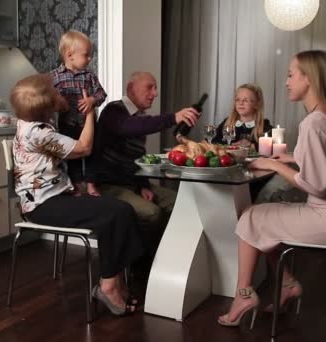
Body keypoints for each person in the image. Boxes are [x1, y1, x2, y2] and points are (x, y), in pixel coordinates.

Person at [217, 50, 326, 327]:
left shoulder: (313, 122)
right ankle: (286, 284)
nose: (286, 81)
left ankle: (243, 295)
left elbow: (316, 187)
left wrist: (274, 166)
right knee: (265, 219)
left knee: (251, 215)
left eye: (290, 74)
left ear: (309, 79)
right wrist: (294, 157)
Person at [11, 74, 143, 316]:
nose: (60, 93)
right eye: (55, 91)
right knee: (117, 212)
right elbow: (84, 148)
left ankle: (114, 281)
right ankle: (108, 285)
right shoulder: (39, 133)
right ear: (44, 104)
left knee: (120, 211)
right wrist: (90, 110)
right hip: (44, 206)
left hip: (54, 197)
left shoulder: (29, 123)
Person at [91, 71, 199, 261]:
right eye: (150, 87)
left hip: (132, 184)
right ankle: (141, 263)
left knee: (181, 203)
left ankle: (169, 258)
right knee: (152, 212)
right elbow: (129, 127)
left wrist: (143, 185)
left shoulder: (138, 117)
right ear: (131, 89)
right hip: (109, 186)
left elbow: (135, 159)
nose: (155, 93)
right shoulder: (114, 111)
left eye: (155, 88)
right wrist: (173, 118)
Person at [51, 30, 107, 197]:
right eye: (86, 55)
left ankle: (91, 185)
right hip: (68, 123)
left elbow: (102, 94)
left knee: (93, 154)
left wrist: (91, 100)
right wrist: (58, 103)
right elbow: (49, 100)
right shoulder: (55, 77)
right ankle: (76, 184)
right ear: (70, 55)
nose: (90, 58)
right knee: (72, 156)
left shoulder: (89, 76)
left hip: (87, 124)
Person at [212, 83, 273, 151]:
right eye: (238, 100)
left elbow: (272, 147)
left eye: (246, 100)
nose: (241, 103)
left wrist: (252, 145)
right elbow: (212, 141)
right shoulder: (226, 123)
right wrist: (228, 146)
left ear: (257, 104)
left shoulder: (265, 127)